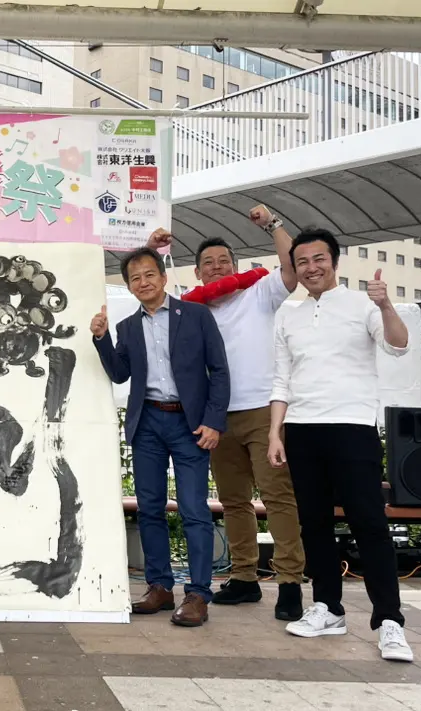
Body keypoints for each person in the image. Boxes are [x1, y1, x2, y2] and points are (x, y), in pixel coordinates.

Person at [145, 206, 306, 621]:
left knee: (278, 496)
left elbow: (292, 267)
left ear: (235, 266)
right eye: (208, 263)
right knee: (234, 501)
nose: (216, 267)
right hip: (215, 418)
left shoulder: (260, 293)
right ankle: (244, 577)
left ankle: (290, 582)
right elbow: (149, 292)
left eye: (223, 261)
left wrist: (273, 224)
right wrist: (153, 250)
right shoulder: (190, 311)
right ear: (197, 273)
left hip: (264, 411)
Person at [268, 229, 413, 662]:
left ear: (334, 262)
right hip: (302, 429)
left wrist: (385, 304)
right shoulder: (288, 315)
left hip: (352, 427)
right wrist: (275, 432)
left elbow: (399, 344)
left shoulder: (363, 304)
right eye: (302, 262)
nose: (311, 268)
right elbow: (281, 379)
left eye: (319, 259)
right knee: (313, 524)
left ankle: (389, 621)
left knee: (369, 523)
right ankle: (328, 608)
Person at [91, 247, 230, 627]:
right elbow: (120, 374)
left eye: (149, 274)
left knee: (193, 508)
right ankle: (160, 587)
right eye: (135, 278)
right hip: (148, 422)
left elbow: (218, 370)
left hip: (190, 423)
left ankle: (198, 594)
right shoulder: (127, 327)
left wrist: (214, 421)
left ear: (164, 277)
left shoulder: (196, 316)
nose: (143, 282)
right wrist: (101, 339)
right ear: (129, 286)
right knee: (149, 508)